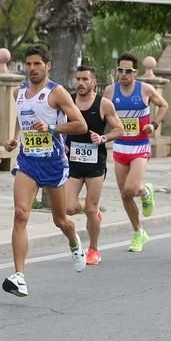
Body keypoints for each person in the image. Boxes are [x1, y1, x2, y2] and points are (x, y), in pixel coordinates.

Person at [1, 44, 88, 297]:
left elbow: (80, 125)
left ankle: (73, 242)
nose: (32, 68)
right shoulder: (18, 92)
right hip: (28, 161)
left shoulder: (56, 92)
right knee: (20, 214)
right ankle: (19, 276)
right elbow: (22, 116)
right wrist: (16, 138)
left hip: (53, 162)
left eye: (37, 64)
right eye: (28, 64)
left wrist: (50, 128)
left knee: (60, 220)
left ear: (47, 65)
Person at [103, 53, 169, 252]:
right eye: (120, 70)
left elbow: (164, 105)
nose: (123, 74)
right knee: (125, 195)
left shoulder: (145, 89)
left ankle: (145, 190)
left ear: (135, 72)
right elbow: (102, 112)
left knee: (131, 189)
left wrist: (154, 124)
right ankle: (139, 232)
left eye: (128, 71)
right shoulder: (110, 91)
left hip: (140, 146)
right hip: (120, 146)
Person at [64, 66, 123, 266]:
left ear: (93, 82)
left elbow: (119, 129)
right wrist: (62, 143)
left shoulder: (103, 104)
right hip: (72, 161)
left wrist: (103, 137)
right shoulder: (68, 101)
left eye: (85, 79)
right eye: (78, 79)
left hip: (95, 163)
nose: (80, 83)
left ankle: (94, 249)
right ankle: (93, 211)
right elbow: (58, 124)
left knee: (90, 207)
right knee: (69, 208)